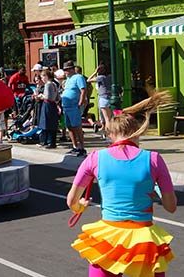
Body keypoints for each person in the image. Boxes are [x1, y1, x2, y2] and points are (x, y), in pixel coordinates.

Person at [67, 92, 176, 277]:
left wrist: (80, 207)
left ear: (110, 134)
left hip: (108, 238)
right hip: (143, 239)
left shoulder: (95, 158)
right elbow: (171, 207)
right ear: (139, 132)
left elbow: (71, 201)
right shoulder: (154, 159)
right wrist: (155, 188)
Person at [61, 61, 88, 157]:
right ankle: (75, 146)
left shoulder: (78, 77)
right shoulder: (68, 79)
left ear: (72, 69)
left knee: (77, 126)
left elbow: (83, 90)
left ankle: (81, 147)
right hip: (66, 106)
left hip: (74, 106)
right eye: (64, 70)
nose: (65, 72)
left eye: (67, 70)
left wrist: (81, 102)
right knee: (69, 127)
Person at [35, 70, 60, 149]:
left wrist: (40, 96)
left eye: (42, 77)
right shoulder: (54, 84)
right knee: (52, 123)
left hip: (48, 105)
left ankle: (49, 142)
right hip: (53, 105)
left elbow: (48, 97)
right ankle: (52, 141)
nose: (42, 78)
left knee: (47, 123)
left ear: (46, 76)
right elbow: (58, 97)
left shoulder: (48, 85)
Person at [88, 64, 112, 139]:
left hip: (103, 98)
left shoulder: (100, 78)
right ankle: (108, 133)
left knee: (106, 119)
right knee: (110, 118)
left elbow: (88, 80)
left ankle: (108, 134)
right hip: (110, 98)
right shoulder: (110, 77)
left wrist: (95, 72)